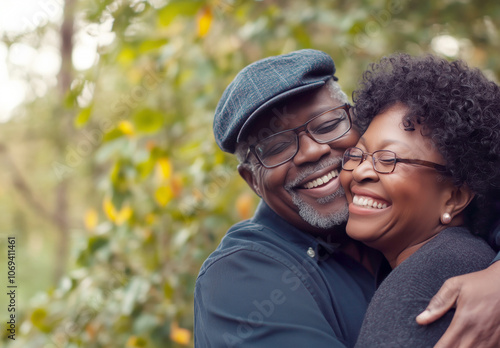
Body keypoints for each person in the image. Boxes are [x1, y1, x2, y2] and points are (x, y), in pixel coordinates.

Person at [194, 49, 500, 348]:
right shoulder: (240, 278)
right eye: (276, 147)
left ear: (357, 121)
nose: (312, 151)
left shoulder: (416, 217)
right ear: (253, 182)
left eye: (328, 125)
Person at [339, 53, 500, 347]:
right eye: (358, 154)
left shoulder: (421, 288)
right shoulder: (472, 258)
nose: (361, 171)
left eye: (389, 159)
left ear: (455, 197)